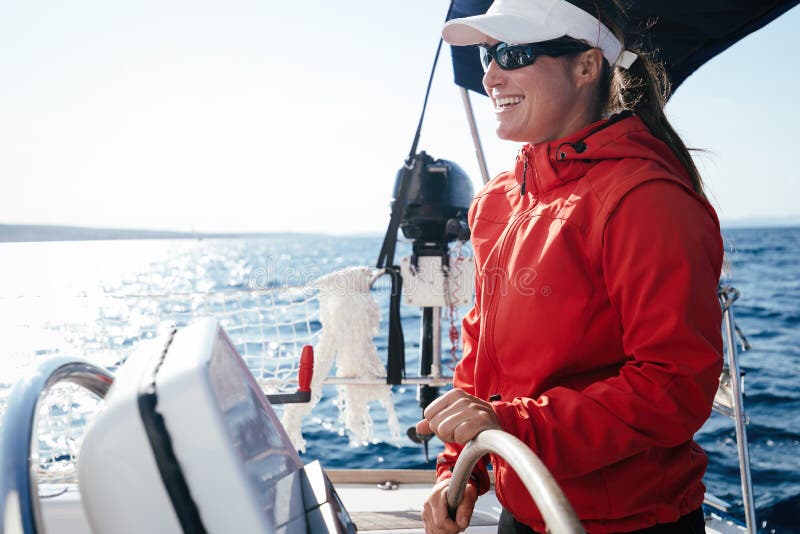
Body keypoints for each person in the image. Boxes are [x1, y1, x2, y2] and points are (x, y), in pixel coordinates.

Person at [415, 0, 724, 532]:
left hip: (629, 521)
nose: (490, 75)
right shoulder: (497, 202)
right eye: (488, 55)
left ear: (586, 66)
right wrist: (457, 469)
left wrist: (510, 426)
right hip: (524, 505)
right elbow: (481, 357)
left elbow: (673, 385)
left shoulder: (645, 199)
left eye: (512, 53)